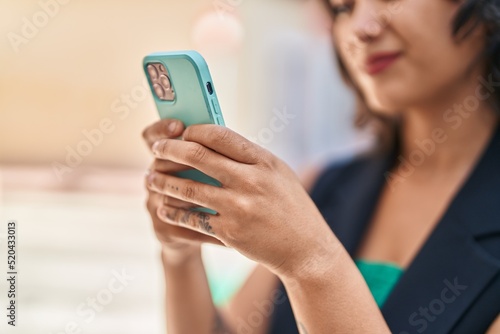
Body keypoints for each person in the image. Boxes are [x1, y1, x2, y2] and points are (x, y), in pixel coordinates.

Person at [142, 0, 500, 332]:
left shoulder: (305, 220)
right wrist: (181, 254)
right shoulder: (326, 185)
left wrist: (311, 264)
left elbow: (311, 263)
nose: (361, 27)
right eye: (343, 7)